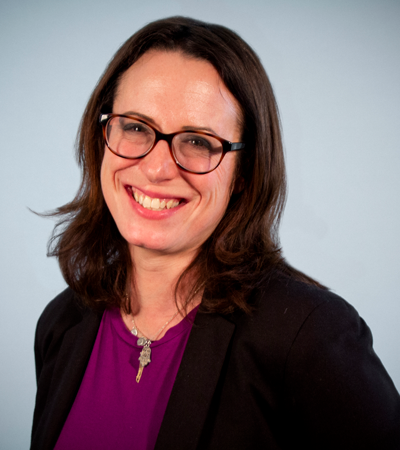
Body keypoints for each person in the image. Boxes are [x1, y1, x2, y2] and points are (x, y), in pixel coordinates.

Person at [31, 16, 400, 450]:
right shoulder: (61, 323)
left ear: (244, 173)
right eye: (134, 127)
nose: (156, 167)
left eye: (199, 141)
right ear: (102, 136)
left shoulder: (310, 338)